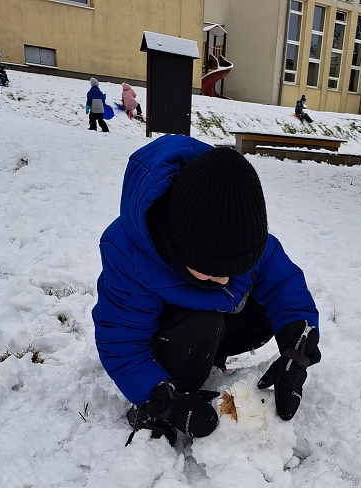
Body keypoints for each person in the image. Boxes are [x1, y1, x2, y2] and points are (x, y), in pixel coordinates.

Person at [92, 136, 320, 444]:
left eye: (233, 271)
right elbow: (121, 341)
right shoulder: (129, 255)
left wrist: (297, 347)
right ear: (179, 246)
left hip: (206, 324)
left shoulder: (235, 229)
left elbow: (283, 282)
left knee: (263, 305)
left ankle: (209, 353)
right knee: (202, 322)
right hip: (162, 335)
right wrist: (165, 400)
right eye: (212, 271)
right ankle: (166, 390)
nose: (225, 280)